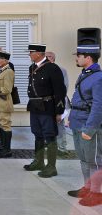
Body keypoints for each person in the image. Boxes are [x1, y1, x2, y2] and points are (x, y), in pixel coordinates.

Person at [23, 43, 66, 178]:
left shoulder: (52, 68)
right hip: (35, 106)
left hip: (48, 107)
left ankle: (51, 167)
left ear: (39, 54)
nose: (29, 54)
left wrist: (59, 111)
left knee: (49, 135)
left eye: (31, 52)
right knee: (37, 134)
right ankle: (39, 161)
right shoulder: (32, 67)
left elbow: (60, 91)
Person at [67, 42, 102, 206]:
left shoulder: (98, 77)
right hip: (77, 122)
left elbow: (98, 106)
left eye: (79, 56)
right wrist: (71, 117)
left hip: (88, 124)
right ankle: (87, 188)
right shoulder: (85, 74)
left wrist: (90, 128)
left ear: (88, 57)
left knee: (94, 160)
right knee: (83, 159)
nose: (77, 58)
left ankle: (96, 193)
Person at [45, 51, 70, 155]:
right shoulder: (41, 70)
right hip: (45, 104)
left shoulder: (61, 70)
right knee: (47, 126)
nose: (48, 58)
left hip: (58, 103)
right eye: (46, 56)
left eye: (50, 56)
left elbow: (65, 87)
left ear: (54, 58)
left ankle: (62, 147)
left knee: (59, 126)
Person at [0, 47, 15, 139]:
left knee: (5, 125)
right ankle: (2, 146)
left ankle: (6, 150)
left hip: (4, 102)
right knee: (0, 123)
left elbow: (7, 89)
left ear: (5, 60)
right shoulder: (2, 70)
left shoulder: (8, 71)